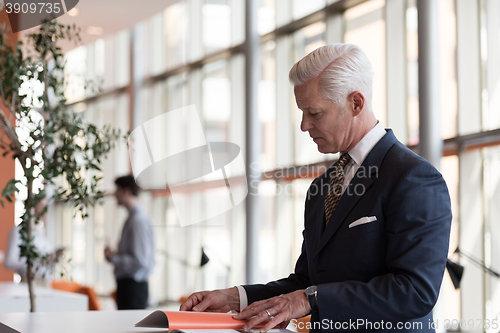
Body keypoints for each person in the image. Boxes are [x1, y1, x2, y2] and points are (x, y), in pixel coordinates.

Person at [180, 44, 452, 333]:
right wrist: (236, 297)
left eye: (314, 113)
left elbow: (414, 291)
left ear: (356, 103)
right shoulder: (322, 186)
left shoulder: (413, 177)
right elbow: (308, 282)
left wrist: (309, 299)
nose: (303, 125)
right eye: (302, 112)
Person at [105, 175, 155, 310]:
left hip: (133, 288)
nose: (114, 194)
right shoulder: (133, 217)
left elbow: (140, 260)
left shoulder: (138, 220)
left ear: (126, 191)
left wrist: (113, 258)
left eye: (117, 190)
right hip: (129, 287)